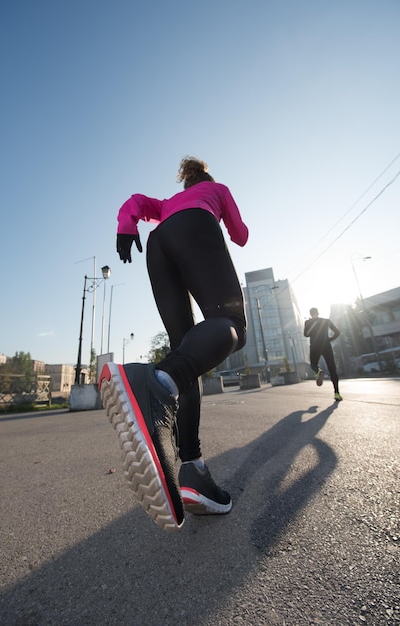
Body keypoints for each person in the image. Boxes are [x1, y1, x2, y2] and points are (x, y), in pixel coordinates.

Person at [99, 156, 248, 532]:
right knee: (230, 325)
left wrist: (125, 225)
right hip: (197, 229)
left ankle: (193, 469)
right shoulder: (216, 190)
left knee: (187, 352)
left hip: (158, 242)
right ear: (206, 181)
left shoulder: (167, 204)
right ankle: (158, 381)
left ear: (184, 185)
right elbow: (241, 234)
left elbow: (135, 201)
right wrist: (225, 217)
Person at [303, 307, 342, 402]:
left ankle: (318, 371)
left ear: (310, 314)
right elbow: (337, 332)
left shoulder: (308, 322)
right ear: (318, 313)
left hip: (315, 345)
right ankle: (337, 394)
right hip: (326, 345)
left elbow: (306, 335)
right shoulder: (326, 321)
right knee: (332, 369)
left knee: (313, 364)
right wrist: (330, 339)